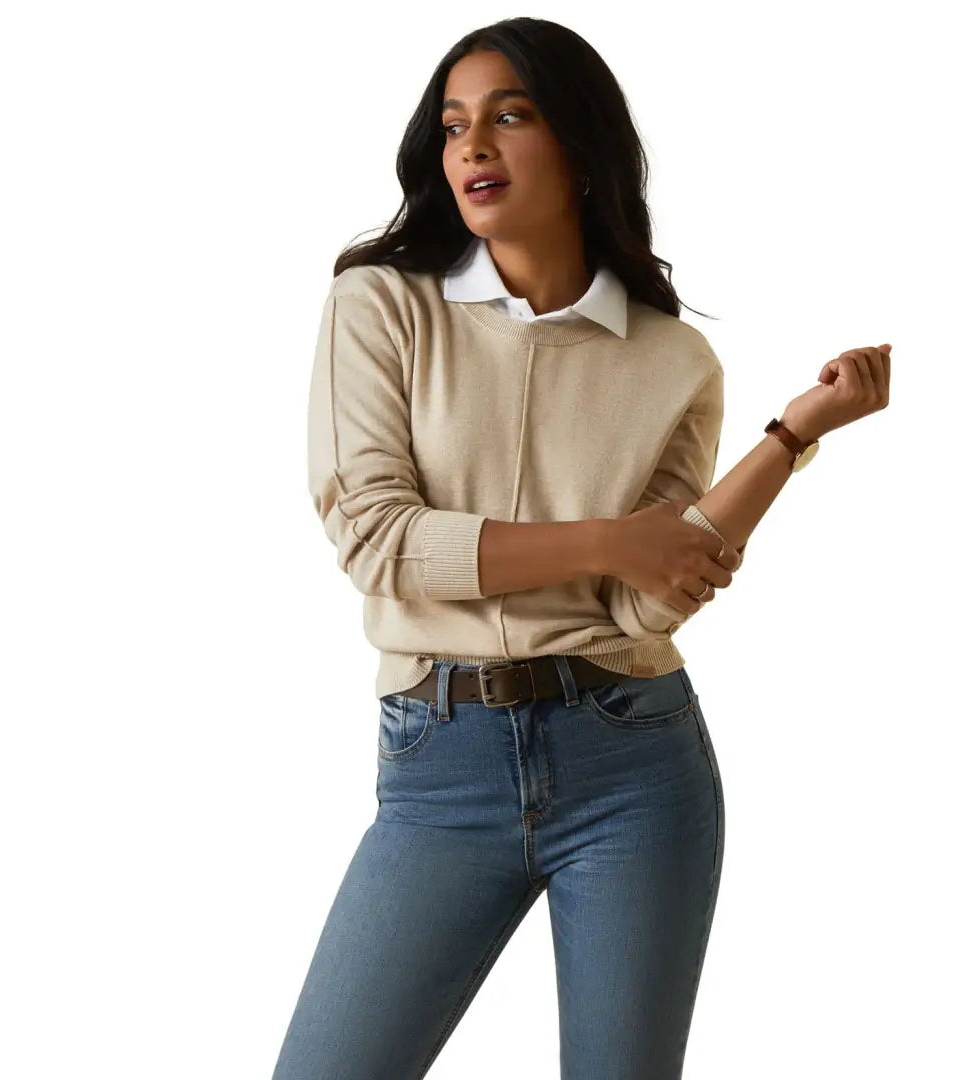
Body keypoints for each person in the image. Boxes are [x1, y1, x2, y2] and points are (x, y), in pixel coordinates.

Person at [271, 17, 891, 1080]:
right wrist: (609, 538)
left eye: (510, 115)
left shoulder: (672, 362)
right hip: (440, 764)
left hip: (632, 760)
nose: (473, 145)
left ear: (583, 149)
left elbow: (642, 607)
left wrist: (791, 440)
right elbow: (378, 541)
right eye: (455, 123)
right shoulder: (380, 305)